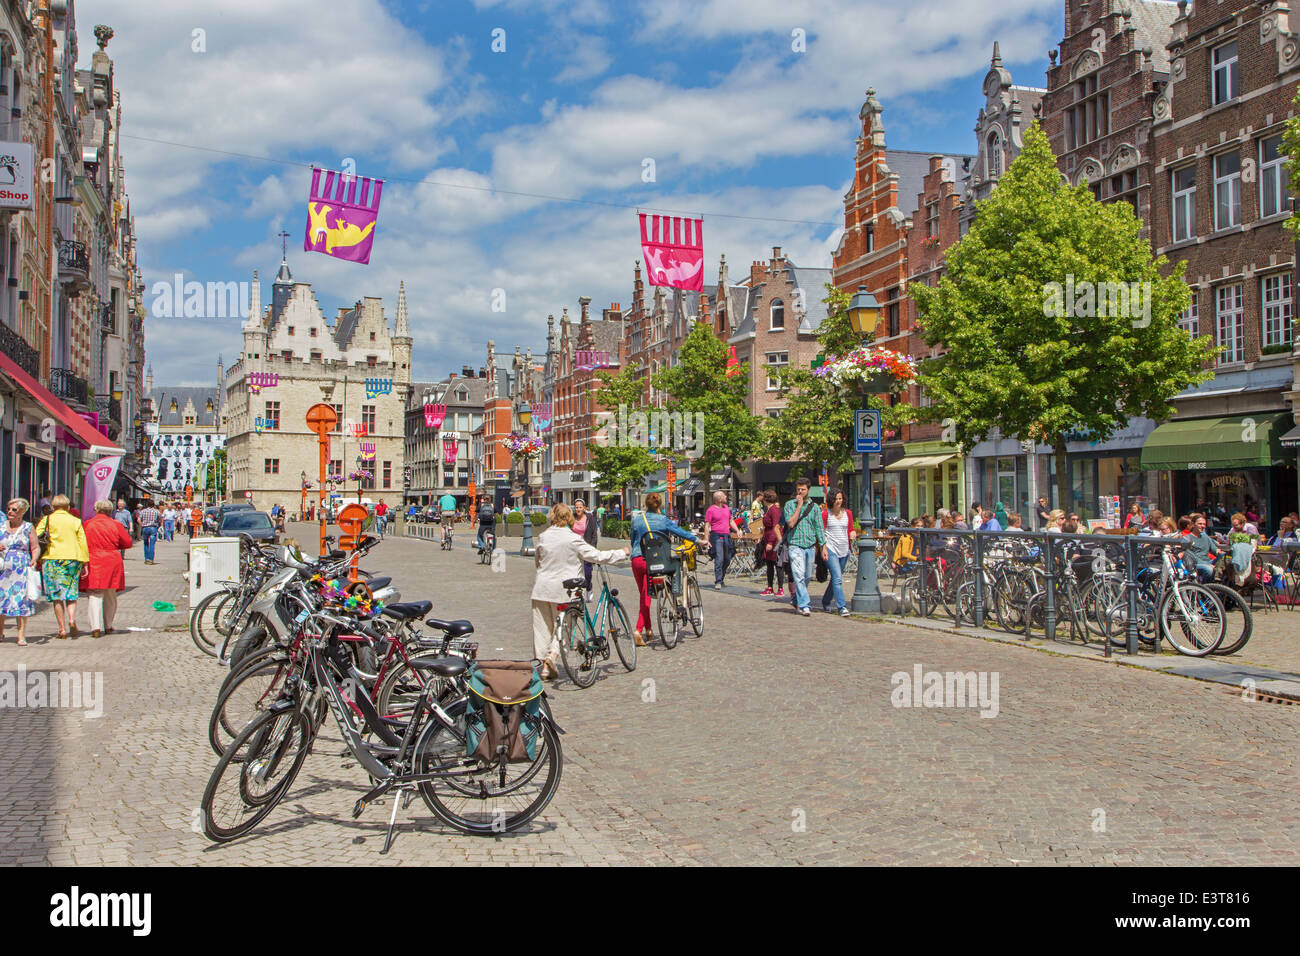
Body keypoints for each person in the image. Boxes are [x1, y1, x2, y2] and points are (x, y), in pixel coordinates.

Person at [531, 503, 630, 680]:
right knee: (566, 625)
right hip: (564, 591)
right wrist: (621, 553)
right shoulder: (572, 539)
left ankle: (543, 666)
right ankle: (551, 658)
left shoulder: (543, 537)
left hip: (541, 589)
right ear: (569, 517)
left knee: (543, 629)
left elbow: (538, 561)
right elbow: (597, 556)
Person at [628, 493, 702, 646]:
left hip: (637, 560)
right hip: (655, 560)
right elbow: (680, 532)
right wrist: (698, 540)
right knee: (646, 596)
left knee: (644, 595)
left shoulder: (636, 520)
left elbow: (632, 539)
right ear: (660, 505)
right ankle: (638, 630)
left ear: (645, 505)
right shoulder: (663, 520)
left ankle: (648, 630)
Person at [36, 495, 88, 639]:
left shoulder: (46, 520)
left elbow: (35, 536)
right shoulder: (75, 521)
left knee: (57, 596)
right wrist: (85, 562)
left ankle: (62, 628)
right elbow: (82, 542)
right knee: (71, 591)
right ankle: (71, 619)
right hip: (72, 559)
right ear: (68, 506)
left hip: (52, 559)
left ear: (53, 506)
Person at [82, 499, 133, 639]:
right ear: (111, 511)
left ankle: (95, 627)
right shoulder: (115, 524)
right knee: (110, 594)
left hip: (94, 560)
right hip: (112, 560)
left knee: (94, 593)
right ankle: (109, 625)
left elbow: (82, 542)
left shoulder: (88, 524)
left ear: (96, 510)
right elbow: (128, 542)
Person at [784, 478, 827, 617]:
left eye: (803, 489)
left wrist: (823, 546)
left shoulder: (814, 507)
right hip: (795, 545)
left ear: (808, 490)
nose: (800, 492)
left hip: (809, 545)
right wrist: (798, 506)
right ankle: (805, 605)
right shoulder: (789, 505)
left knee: (807, 576)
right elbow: (790, 523)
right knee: (798, 575)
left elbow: (819, 527)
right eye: (798, 490)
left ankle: (797, 599)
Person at [0, 498, 39, 645]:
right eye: (9, 509)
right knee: (1, 600)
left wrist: (34, 558)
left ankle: (21, 635)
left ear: (22, 512)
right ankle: (0, 632)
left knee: (21, 600)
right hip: (2, 568)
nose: (10, 511)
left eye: (14, 509)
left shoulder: (28, 527)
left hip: (21, 569)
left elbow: (35, 547)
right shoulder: (1, 526)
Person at [820, 488, 856, 616]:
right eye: (836, 499)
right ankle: (842, 607)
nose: (838, 501)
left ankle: (825, 601)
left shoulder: (848, 513)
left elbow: (851, 528)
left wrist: (852, 533)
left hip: (844, 549)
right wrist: (823, 548)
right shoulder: (825, 514)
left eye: (840, 498)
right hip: (831, 549)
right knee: (838, 577)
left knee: (836, 577)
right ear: (831, 500)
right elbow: (821, 532)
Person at [704, 491, 741, 590]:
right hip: (716, 536)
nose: (726, 497)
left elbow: (731, 521)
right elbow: (707, 526)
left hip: (726, 535)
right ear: (719, 499)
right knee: (719, 558)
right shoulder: (710, 510)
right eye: (724, 495)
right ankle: (718, 581)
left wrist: (737, 530)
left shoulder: (726, 509)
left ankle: (722, 577)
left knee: (728, 558)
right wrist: (706, 540)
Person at [758, 489, 786, 596]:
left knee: (778, 564)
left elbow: (776, 527)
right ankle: (770, 587)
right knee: (769, 564)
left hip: (774, 540)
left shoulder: (774, 510)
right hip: (768, 537)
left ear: (766, 499)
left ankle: (780, 588)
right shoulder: (769, 509)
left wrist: (770, 542)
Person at [1180, 512, 1220, 581]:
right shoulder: (1187, 539)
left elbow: (1215, 551)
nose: (1202, 526)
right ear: (1193, 524)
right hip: (1196, 564)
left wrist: (1221, 554)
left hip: (1208, 561)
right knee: (1209, 569)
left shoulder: (1205, 537)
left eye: (1204, 524)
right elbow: (1191, 557)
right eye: (1200, 524)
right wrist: (1208, 565)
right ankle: (1203, 587)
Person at [572, 498, 599, 589]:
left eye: (580, 507)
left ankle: (588, 587)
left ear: (584, 508)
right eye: (576, 507)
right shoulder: (571, 518)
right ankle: (577, 592)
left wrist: (592, 548)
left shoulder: (589, 518)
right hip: (574, 549)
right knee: (574, 572)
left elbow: (594, 534)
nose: (578, 509)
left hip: (586, 548)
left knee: (587, 572)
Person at [136, 499, 161, 565]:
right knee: (152, 544)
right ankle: (150, 559)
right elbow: (159, 519)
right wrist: (157, 524)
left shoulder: (143, 511)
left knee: (146, 543)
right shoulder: (156, 511)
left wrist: (142, 525)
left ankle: (146, 559)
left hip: (145, 528)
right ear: (153, 505)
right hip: (153, 528)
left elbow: (138, 519)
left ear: (147, 505)